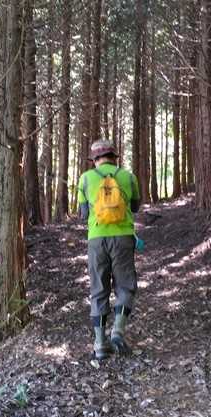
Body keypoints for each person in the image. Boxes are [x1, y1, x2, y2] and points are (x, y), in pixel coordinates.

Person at [77, 140, 141, 360]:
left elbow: (83, 214)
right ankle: (118, 331)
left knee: (98, 289)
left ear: (95, 159)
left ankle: (100, 344)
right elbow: (135, 207)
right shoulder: (129, 177)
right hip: (123, 238)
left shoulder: (85, 178)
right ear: (114, 157)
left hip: (96, 239)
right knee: (126, 285)